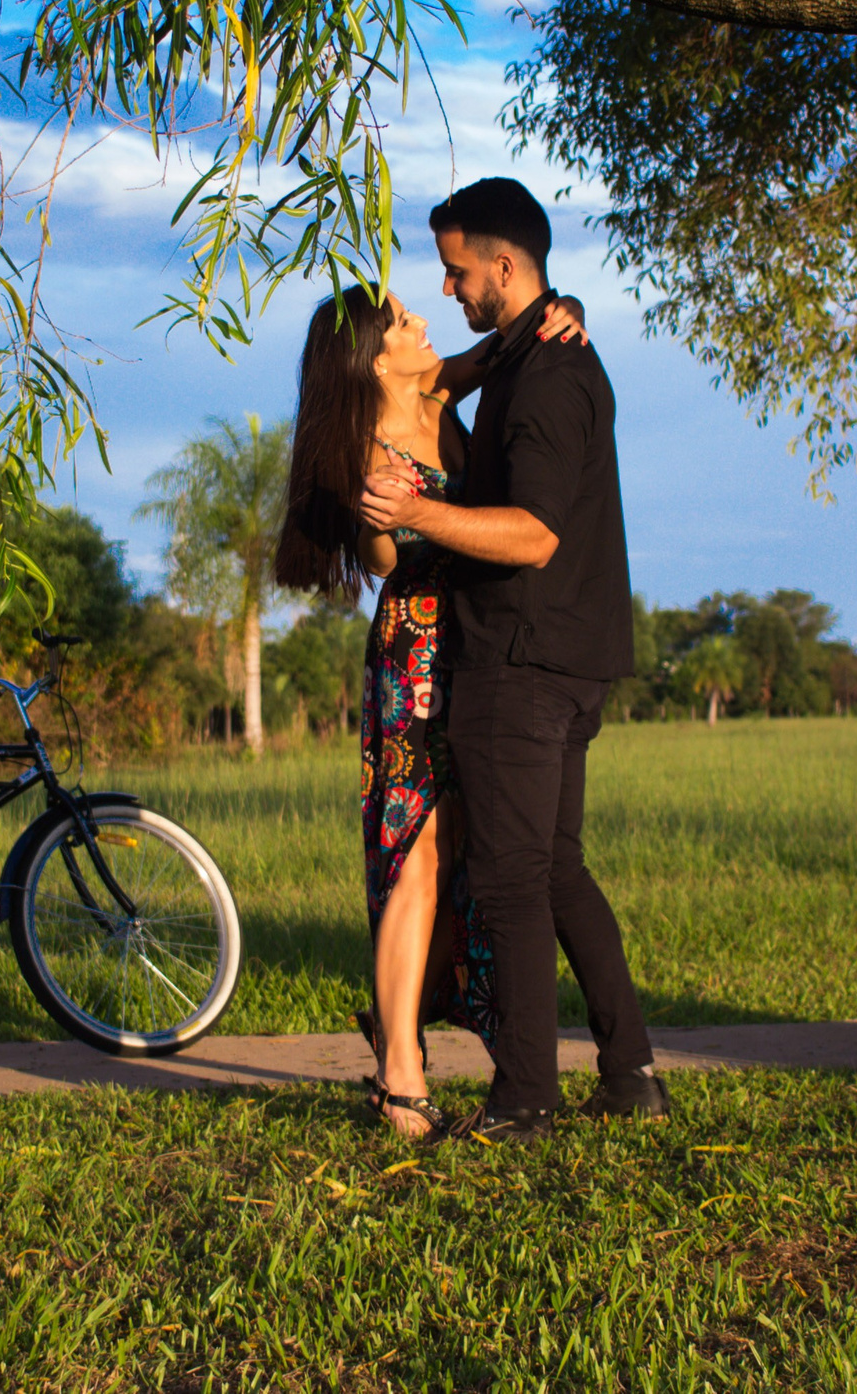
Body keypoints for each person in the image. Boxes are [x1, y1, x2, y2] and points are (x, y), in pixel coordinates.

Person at [359, 176, 667, 1143]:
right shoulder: (545, 353)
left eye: (457, 272)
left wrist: (412, 512)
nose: (447, 290)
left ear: (504, 264)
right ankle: (631, 1072)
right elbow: (457, 368)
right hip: (574, 655)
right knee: (560, 872)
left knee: (511, 880)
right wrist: (548, 314)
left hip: (520, 662)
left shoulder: (545, 375)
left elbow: (533, 534)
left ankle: (526, 1097)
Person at [273, 280, 585, 1139]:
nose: (423, 322)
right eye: (406, 322)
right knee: (415, 854)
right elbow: (382, 561)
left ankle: (418, 1032)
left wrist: (566, 310)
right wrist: (385, 512)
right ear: (375, 355)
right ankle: (401, 1073)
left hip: (485, 647)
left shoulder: (442, 386)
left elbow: (514, 342)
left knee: (471, 854)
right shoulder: (366, 449)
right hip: (416, 657)